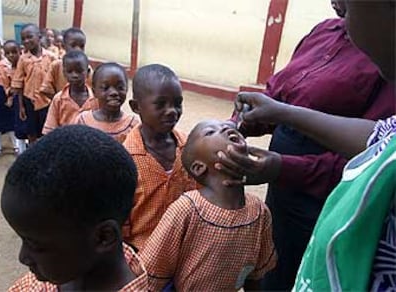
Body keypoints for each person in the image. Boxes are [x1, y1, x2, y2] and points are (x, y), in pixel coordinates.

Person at [218, 0, 395, 290]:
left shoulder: (382, 62)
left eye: (350, 6)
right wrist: (253, 118)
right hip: (283, 190)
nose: (336, 4)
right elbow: (284, 92)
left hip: (320, 194)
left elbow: (369, 153)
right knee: (275, 263)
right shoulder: (324, 32)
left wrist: (281, 166)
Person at [2, 125, 148, 291]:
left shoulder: (63, 268)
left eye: (35, 245)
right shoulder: (61, 273)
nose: (23, 258)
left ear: (103, 237)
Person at [141, 119, 277, 291]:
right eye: (210, 132)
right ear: (199, 168)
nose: (226, 129)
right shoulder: (187, 209)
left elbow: (257, 274)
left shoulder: (259, 211)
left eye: (226, 127)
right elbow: (153, 270)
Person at [122, 64, 197, 251]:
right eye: (160, 104)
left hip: (184, 246)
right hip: (144, 251)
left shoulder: (189, 148)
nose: (172, 111)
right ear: (136, 107)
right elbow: (120, 214)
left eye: (177, 103)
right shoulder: (125, 159)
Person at [11, 23, 57, 144]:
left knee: (47, 132)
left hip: (47, 102)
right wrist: (21, 106)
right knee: (31, 132)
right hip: (29, 101)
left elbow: (57, 81)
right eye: (23, 39)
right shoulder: (23, 59)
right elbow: (19, 84)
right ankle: (32, 156)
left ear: (39, 36)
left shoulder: (52, 57)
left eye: (30, 37)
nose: (26, 41)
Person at [76, 62, 137, 143]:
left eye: (120, 87)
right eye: (105, 88)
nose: (113, 93)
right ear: (94, 92)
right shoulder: (82, 121)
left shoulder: (133, 125)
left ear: (126, 89)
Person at [43, 50, 98, 135]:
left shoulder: (96, 99)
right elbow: (50, 129)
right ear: (64, 73)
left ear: (87, 72)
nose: (74, 75)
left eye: (79, 71)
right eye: (70, 72)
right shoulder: (58, 99)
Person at [40, 28, 92, 100]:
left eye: (82, 46)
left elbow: (92, 91)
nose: (78, 49)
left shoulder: (86, 68)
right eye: (73, 45)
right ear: (64, 46)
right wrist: (60, 101)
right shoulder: (56, 66)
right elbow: (46, 89)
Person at [3, 40, 28, 154]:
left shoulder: (25, 66)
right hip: (16, 101)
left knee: (28, 125)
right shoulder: (8, 70)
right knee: (19, 126)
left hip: (27, 100)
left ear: (20, 51)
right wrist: (10, 95)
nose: (11, 55)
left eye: (14, 52)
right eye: (7, 53)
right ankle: (21, 152)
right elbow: (7, 87)